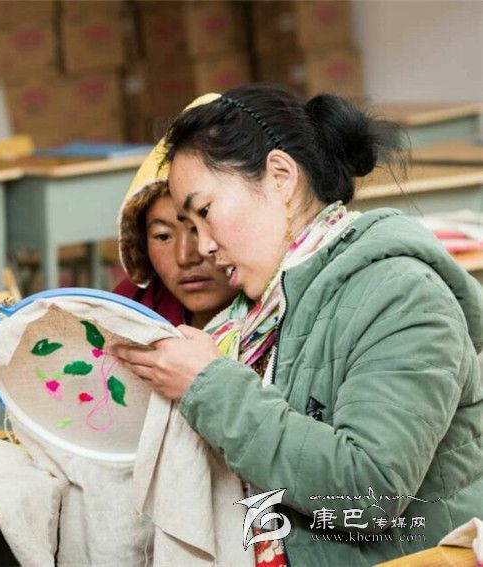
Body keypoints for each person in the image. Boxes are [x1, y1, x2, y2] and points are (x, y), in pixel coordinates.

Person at [113, 85, 483, 565]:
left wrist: (209, 385)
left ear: (281, 178)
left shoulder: (404, 294)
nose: (202, 246)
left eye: (204, 213)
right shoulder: (260, 310)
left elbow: (369, 493)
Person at [113, 146, 237, 328]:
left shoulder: (278, 323)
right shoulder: (126, 311)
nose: (184, 257)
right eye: (163, 236)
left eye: (198, 229)